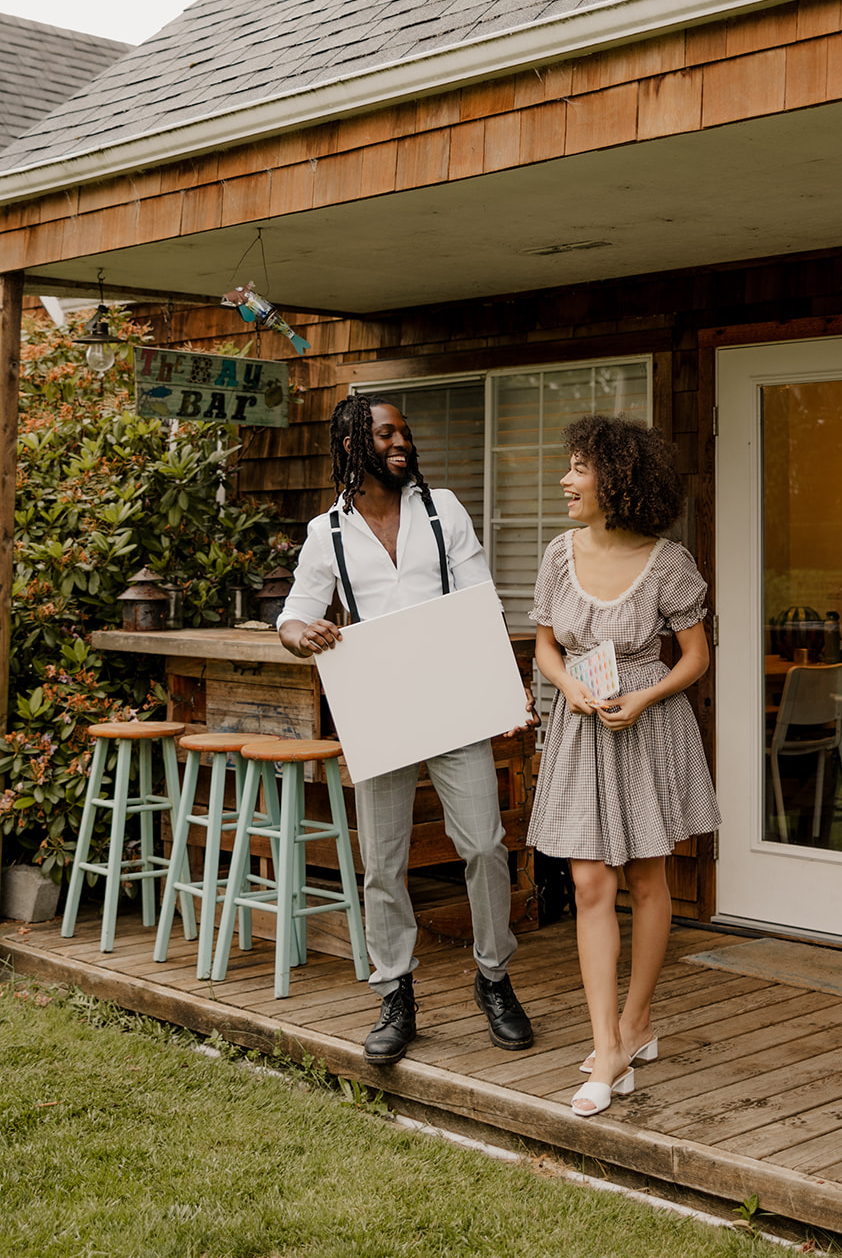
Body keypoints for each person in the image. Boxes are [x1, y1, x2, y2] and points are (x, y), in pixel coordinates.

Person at [277, 394, 533, 1064]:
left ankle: (493, 978)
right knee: (382, 861)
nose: (401, 443)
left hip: (452, 698)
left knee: (483, 844)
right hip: (380, 703)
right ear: (352, 445)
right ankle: (395, 991)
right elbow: (295, 615)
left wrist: (505, 689)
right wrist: (306, 633)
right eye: (385, 433)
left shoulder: (441, 508)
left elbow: (481, 601)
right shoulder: (325, 531)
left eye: (403, 433)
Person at [528, 414, 720, 1118]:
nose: (565, 480)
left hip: (645, 725)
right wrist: (567, 684)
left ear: (615, 478)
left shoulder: (667, 562)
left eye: (578, 467)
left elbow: (696, 657)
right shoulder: (558, 553)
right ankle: (606, 1041)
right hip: (581, 726)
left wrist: (643, 696)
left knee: (646, 877)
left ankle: (634, 1026)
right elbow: (545, 645)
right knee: (586, 884)